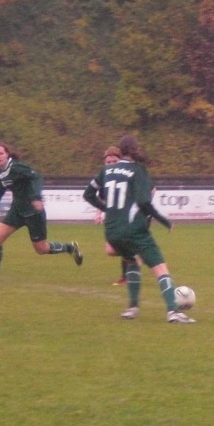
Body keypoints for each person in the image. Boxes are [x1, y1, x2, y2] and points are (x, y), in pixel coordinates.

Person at [82, 136, 194, 323]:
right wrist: (163, 220)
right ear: (135, 149)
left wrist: (107, 209)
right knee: (160, 268)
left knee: (132, 261)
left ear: (121, 150)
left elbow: (88, 194)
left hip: (112, 231)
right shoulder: (138, 170)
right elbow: (143, 201)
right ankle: (174, 312)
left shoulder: (106, 170)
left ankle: (132, 308)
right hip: (134, 230)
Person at [0, 141, 82, 282]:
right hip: (17, 211)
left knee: (41, 249)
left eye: (1, 153)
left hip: (33, 212)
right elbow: (2, 186)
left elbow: (36, 176)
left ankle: (70, 248)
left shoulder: (17, 167)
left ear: (7, 154)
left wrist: (36, 198)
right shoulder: (1, 172)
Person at [95, 146, 130, 286]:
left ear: (120, 161)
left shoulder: (128, 174)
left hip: (127, 216)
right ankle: (136, 254)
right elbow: (102, 198)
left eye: (114, 161)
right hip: (113, 218)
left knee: (122, 244)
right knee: (110, 250)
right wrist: (98, 213)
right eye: (108, 162)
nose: (111, 164)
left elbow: (149, 190)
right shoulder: (105, 177)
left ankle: (125, 277)